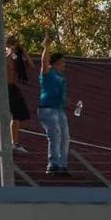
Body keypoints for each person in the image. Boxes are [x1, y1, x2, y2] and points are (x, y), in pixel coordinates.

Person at [38, 35, 71, 177]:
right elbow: (44, 62)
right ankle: (53, 164)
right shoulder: (48, 72)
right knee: (54, 135)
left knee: (65, 136)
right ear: (56, 62)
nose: (64, 64)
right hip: (47, 108)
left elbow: (63, 96)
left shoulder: (62, 77)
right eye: (63, 62)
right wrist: (47, 47)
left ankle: (63, 165)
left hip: (59, 109)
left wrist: (72, 103)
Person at [6, 35, 35, 154]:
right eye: (12, 42)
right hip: (5, 87)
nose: (15, 44)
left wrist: (25, 52)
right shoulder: (4, 54)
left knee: (18, 115)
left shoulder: (17, 57)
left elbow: (31, 66)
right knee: (13, 115)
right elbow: (3, 63)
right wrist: (9, 51)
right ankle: (11, 143)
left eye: (16, 42)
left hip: (14, 87)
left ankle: (14, 143)